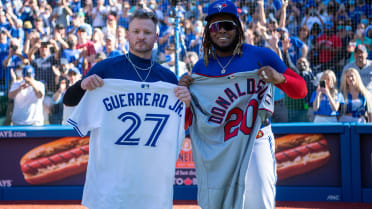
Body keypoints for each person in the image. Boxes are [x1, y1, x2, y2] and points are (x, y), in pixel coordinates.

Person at [178, 1, 307, 209]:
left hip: (256, 140)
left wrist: (280, 78)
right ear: (207, 32)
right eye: (215, 26)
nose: (221, 31)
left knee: (260, 203)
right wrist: (185, 100)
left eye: (227, 25)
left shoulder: (260, 55)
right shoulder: (202, 67)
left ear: (237, 27)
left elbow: (301, 90)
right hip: (220, 146)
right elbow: (189, 121)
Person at [63, 9, 191, 209]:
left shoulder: (167, 79)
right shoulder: (105, 70)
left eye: (147, 32)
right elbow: (68, 101)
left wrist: (187, 102)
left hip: (152, 187)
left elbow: (186, 123)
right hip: (111, 186)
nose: (141, 36)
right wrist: (82, 85)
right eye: (136, 31)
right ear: (128, 34)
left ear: (156, 37)